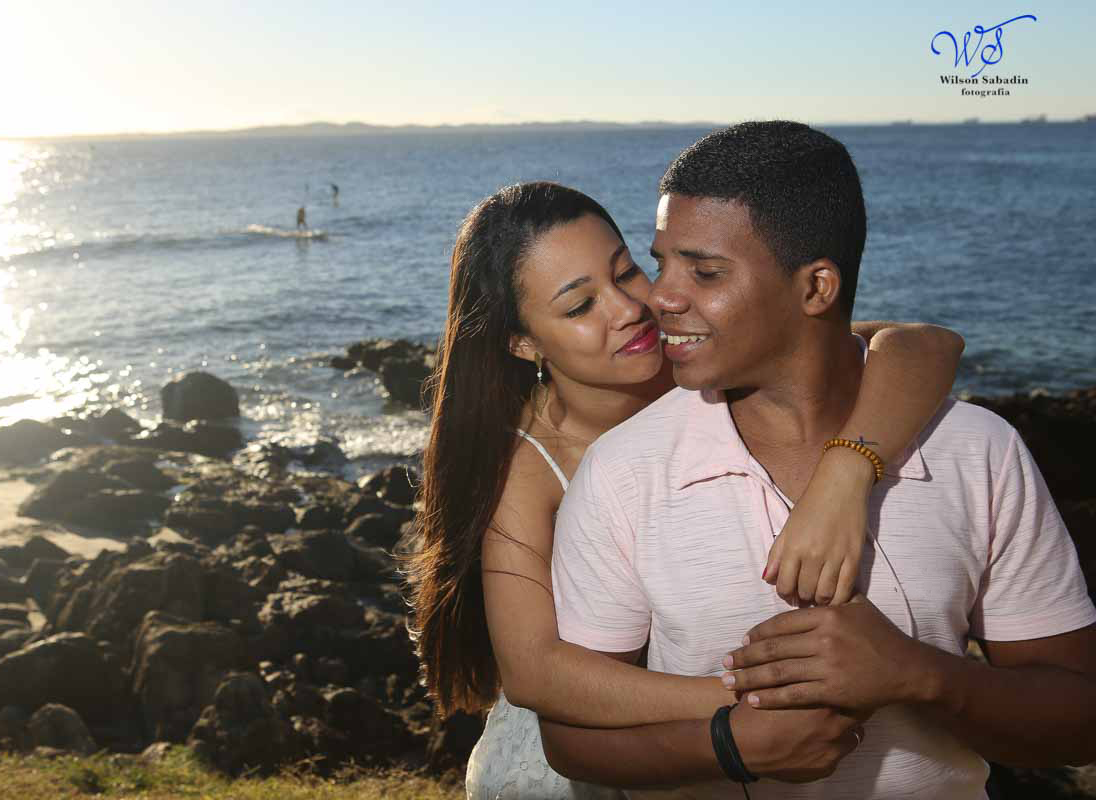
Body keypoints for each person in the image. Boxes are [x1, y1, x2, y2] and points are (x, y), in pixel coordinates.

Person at [542, 122, 1096, 798]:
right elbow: (570, 737)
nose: (659, 296)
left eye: (704, 271)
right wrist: (728, 746)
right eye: (662, 262)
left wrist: (920, 676)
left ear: (816, 288)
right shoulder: (622, 473)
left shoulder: (977, 451)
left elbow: (1079, 722)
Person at [405, 180, 966, 799]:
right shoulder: (526, 470)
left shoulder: (701, 360)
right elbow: (537, 674)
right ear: (523, 342)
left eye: (626, 273)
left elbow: (923, 345)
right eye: (579, 306)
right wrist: (756, 698)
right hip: (584, 759)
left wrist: (844, 473)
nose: (627, 309)